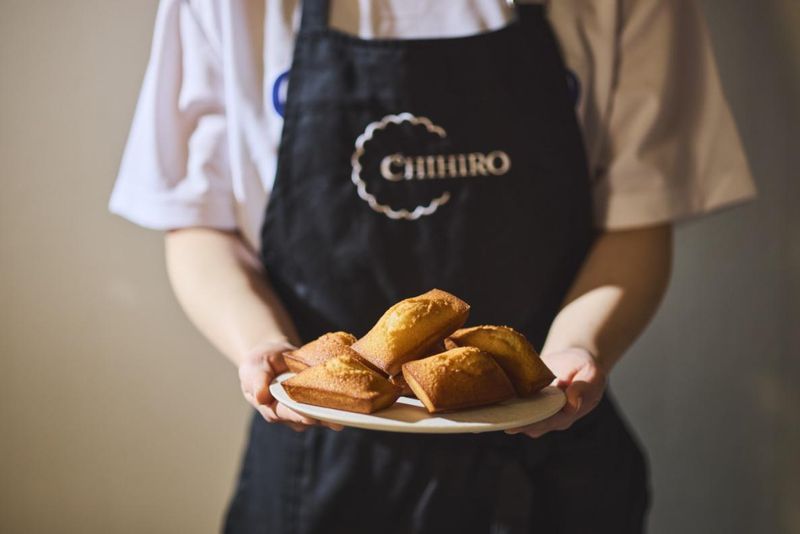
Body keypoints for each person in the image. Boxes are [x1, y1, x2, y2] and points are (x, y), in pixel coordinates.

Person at [110, 0, 755, 532]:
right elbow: (198, 220)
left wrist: (577, 347)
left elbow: (639, 221)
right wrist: (261, 345)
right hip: (318, 472)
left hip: (544, 456)